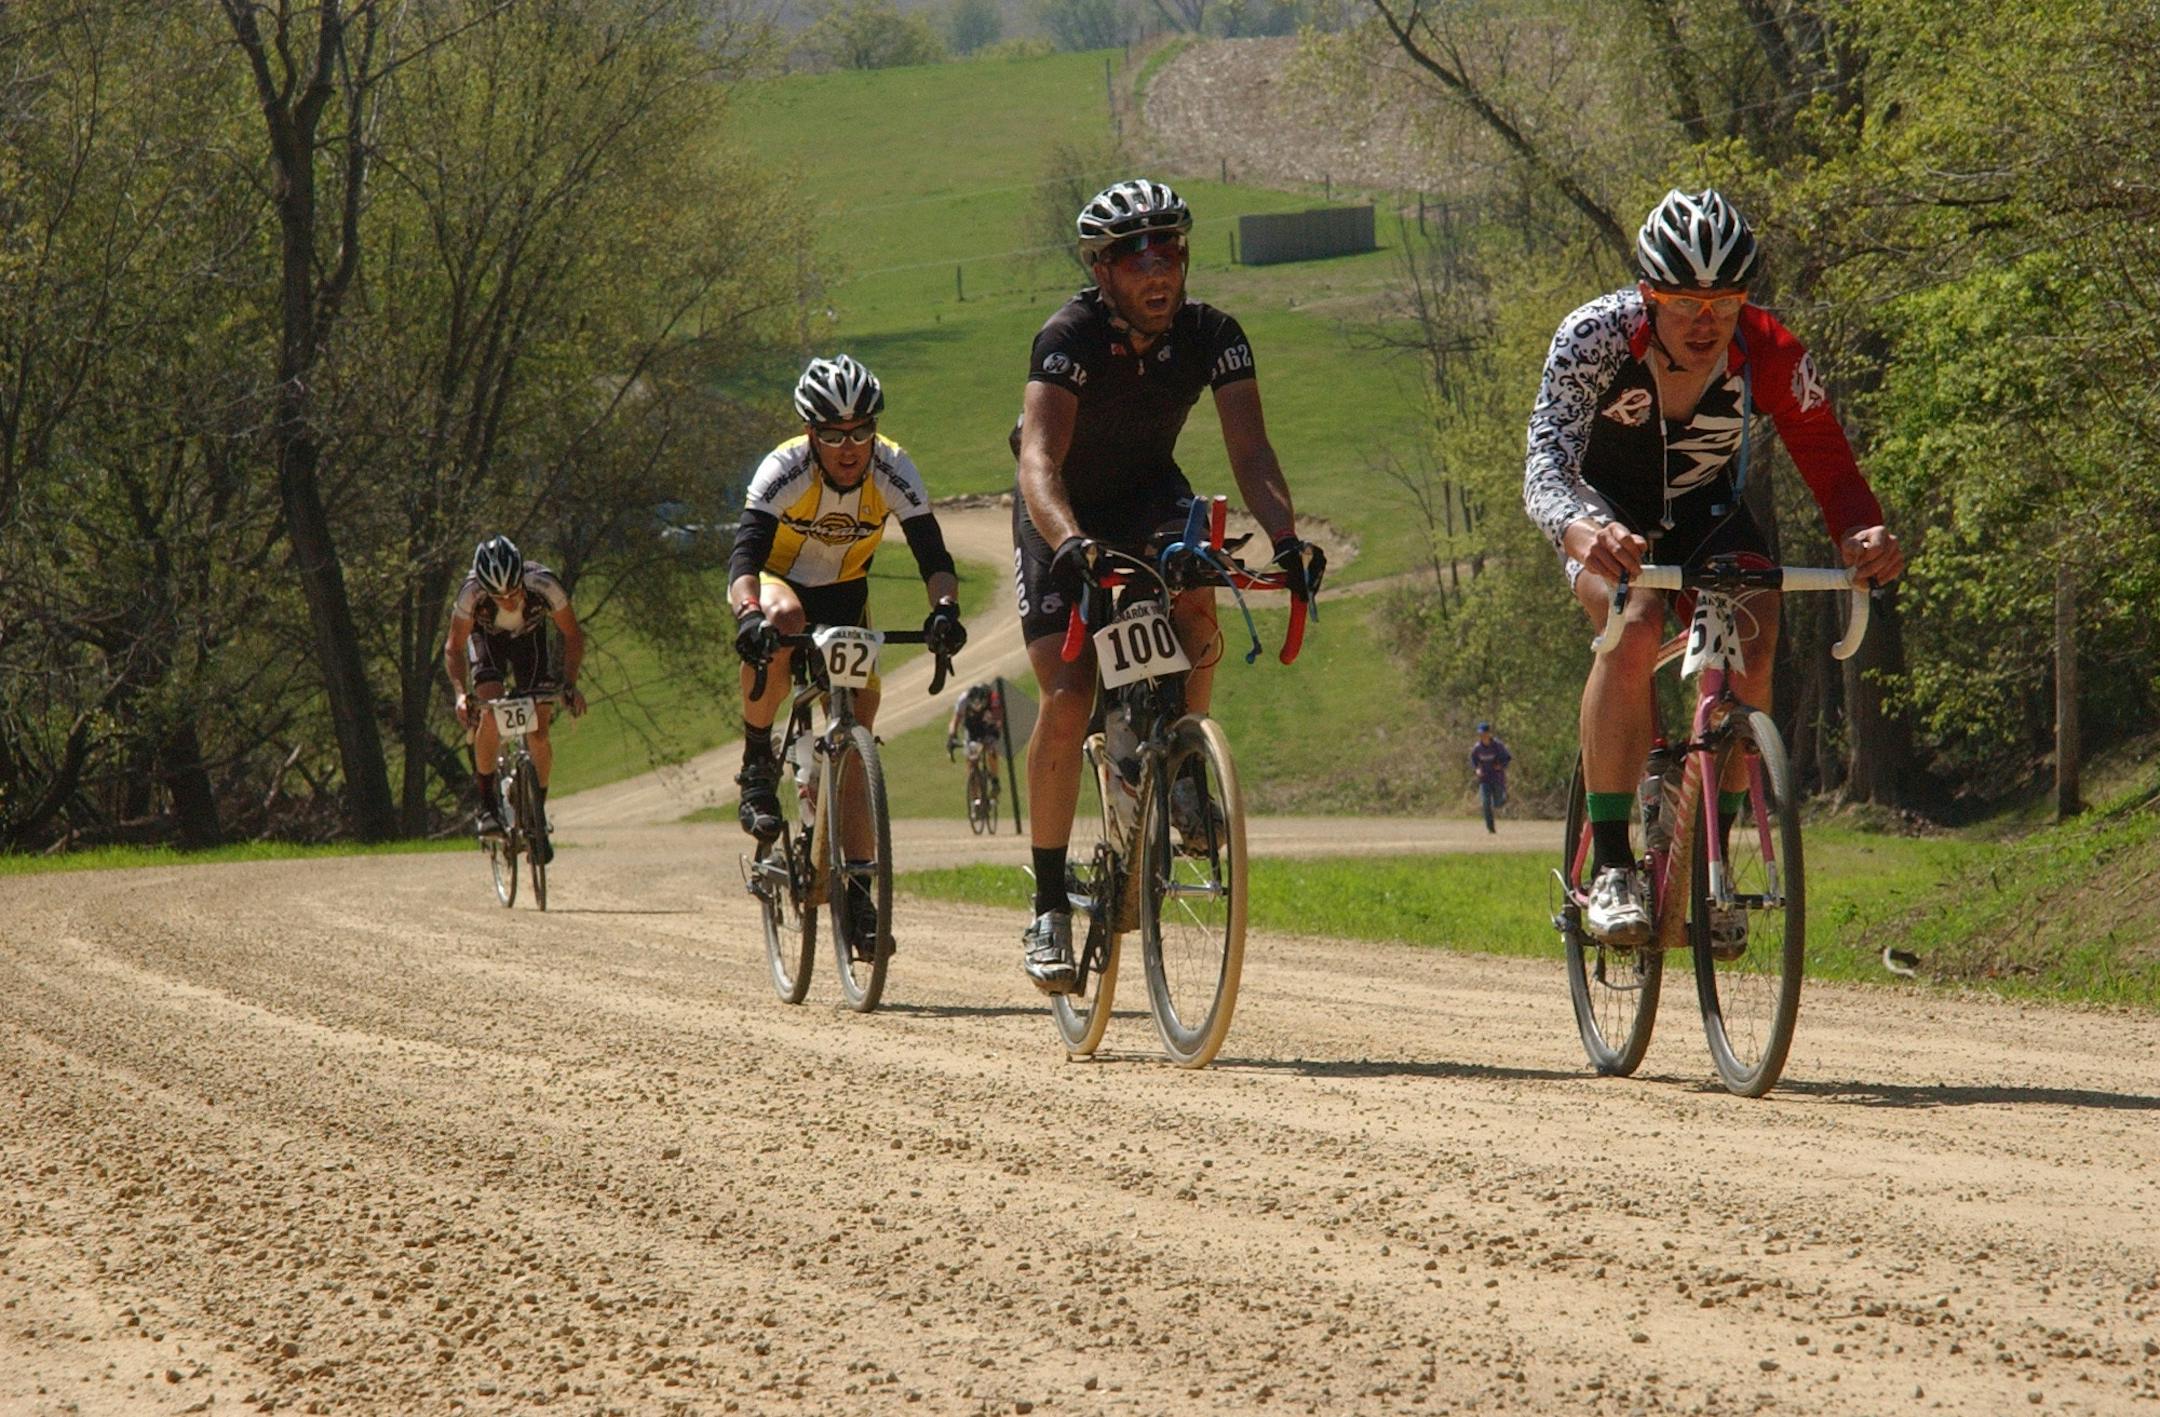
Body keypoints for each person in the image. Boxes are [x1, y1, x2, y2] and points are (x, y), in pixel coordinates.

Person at [1524, 187, 1903, 946]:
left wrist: (1862, 533)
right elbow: (1545, 462)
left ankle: (1712, 863)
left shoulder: (1770, 347)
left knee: (1757, 635)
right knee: (1633, 627)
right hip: (1604, 511)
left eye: (1726, 302)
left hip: (1706, 511)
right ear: (1646, 294)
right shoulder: (1592, 338)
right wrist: (1578, 530)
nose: (1706, 322)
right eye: (1685, 302)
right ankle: (1611, 869)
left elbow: (1828, 462)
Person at [1010, 178, 1324, 993]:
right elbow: (1038, 462)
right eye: (1134, 255)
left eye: (1171, 250)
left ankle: (1183, 760)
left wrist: (1288, 543)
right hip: (1064, 512)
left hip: (1150, 496)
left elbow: (1251, 454)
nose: (1158, 270)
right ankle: (1047, 904)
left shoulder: (1213, 334)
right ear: (1103, 269)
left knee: (1199, 575)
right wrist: (1072, 542)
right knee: (1070, 693)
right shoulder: (1068, 336)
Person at [728, 354, 968, 947]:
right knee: (783, 618)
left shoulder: (893, 467)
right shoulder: (783, 470)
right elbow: (744, 560)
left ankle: (857, 899)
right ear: (811, 433)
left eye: (861, 432)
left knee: (856, 740)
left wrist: (944, 613)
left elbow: (933, 557)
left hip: (846, 596)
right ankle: (758, 761)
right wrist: (749, 616)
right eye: (834, 435)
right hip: (780, 585)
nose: (849, 447)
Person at [444, 534, 588, 862]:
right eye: (500, 595)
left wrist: (569, 683)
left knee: (539, 731)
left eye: (514, 592)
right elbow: (454, 647)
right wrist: (460, 694)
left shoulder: (544, 584)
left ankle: (535, 814)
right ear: (485, 590)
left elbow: (572, 635)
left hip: (529, 642)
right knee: (492, 713)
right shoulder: (471, 595)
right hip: (487, 643)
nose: (509, 600)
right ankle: (489, 807)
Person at [1469, 721, 1511, 833]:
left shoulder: (1498, 746)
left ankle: (1504, 798)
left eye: (1484, 733)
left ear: (1489, 733)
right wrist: (1477, 769)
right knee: (1485, 803)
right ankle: (1490, 828)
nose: (1482, 736)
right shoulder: (1477, 748)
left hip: (1497, 778)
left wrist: (1501, 765)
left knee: (1497, 803)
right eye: (1480, 734)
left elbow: (1507, 758)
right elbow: (1473, 760)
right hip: (1484, 779)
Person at [947, 681, 1003, 764]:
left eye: (980, 705)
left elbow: (999, 721)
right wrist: (951, 737)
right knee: (970, 755)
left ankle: (994, 776)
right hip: (971, 724)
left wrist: (992, 732)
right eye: (974, 704)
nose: (977, 707)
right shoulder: (963, 699)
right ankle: (972, 774)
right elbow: (955, 721)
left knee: (991, 751)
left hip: (989, 724)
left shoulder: (994, 699)